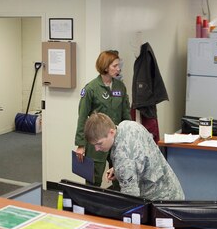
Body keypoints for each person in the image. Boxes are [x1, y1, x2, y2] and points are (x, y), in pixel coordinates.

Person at [84, 112, 184, 201]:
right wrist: (117, 170)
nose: (97, 149)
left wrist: (121, 170)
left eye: (99, 143)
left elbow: (131, 200)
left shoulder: (123, 161)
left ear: (111, 132)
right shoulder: (127, 125)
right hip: (172, 188)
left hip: (161, 200)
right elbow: (137, 155)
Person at [75, 50, 131, 186]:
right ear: (105, 67)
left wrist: (129, 138)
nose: (118, 69)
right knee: (93, 180)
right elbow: (82, 117)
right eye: (115, 66)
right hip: (97, 141)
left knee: (120, 178)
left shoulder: (120, 87)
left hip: (116, 139)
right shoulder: (91, 88)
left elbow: (126, 114)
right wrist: (81, 144)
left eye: (118, 65)